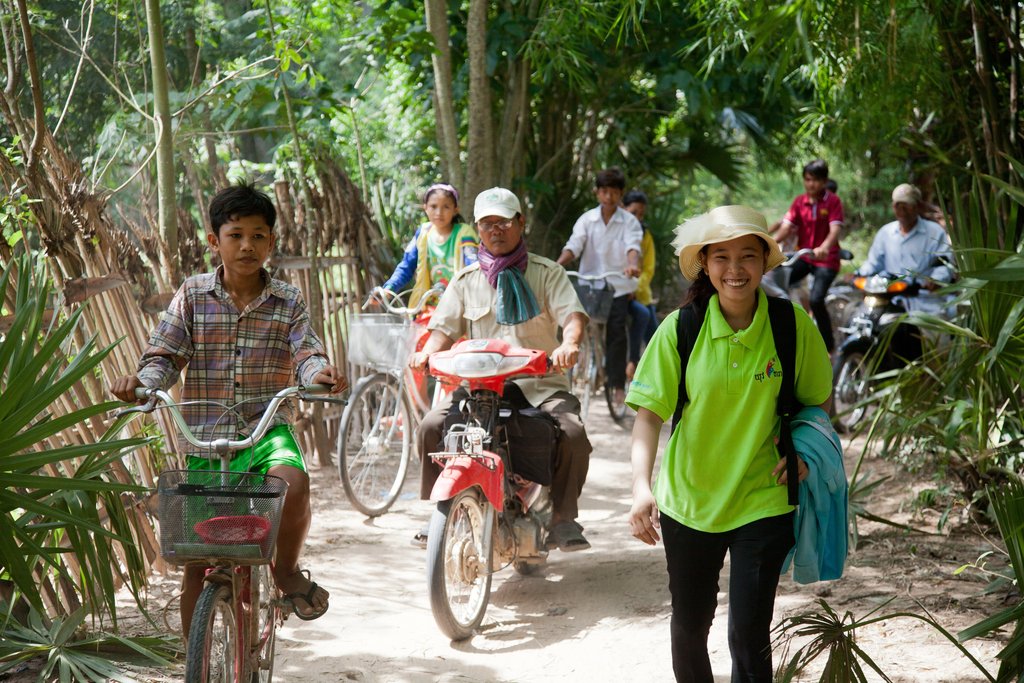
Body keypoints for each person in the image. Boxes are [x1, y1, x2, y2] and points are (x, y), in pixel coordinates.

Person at [109, 183, 347, 637]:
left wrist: (319, 373)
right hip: (204, 435)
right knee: (196, 564)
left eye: (257, 236)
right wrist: (143, 384)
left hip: (264, 429)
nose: (247, 246)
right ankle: (195, 659)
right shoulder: (193, 294)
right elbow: (165, 356)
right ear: (214, 241)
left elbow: (306, 352)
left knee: (293, 482)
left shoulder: (288, 301)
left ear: (271, 242)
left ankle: (286, 571)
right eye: (235, 235)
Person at [627, 205, 833, 682]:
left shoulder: (790, 325)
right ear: (705, 264)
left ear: (764, 262)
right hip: (688, 500)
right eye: (721, 257)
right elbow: (649, 416)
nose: (735, 269)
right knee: (690, 625)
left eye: (747, 256)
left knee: (749, 632)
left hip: (763, 497)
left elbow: (817, 401)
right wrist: (640, 487)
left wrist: (804, 450)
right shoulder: (680, 328)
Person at [412, 187, 594, 551]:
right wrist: (427, 353)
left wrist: (569, 343)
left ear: (520, 223)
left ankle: (563, 518)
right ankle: (441, 512)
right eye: (487, 224)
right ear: (478, 228)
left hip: (539, 384)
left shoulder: (548, 273)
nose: (495, 230)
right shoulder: (466, 280)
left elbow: (572, 315)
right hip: (480, 386)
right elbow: (443, 330)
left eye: (504, 222)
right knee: (431, 427)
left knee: (572, 434)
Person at [556, 167, 642, 409]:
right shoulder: (587, 219)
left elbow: (633, 247)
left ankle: (617, 386)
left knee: (616, 334)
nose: (608, 197)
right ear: (597, 193)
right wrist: (557, 264)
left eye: (613, 192)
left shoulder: (629, 222)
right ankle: (570, 375)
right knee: (574, 325)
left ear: (621, 194)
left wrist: (632, 265)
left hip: (617, 286)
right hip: (589, 285)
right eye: (604, 191)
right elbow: (574, 245)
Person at [770, 159, 845, 352]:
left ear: (825, 181)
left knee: (816, 300)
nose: (811, 184)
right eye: (808, 179)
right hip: (804, 257)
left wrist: (824, 247)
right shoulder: (799, 202)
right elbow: (786, 227)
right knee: (775, 281)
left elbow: (835, 230)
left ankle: (828, 347)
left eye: (816, 180)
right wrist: (770, 243)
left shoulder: (833, 201)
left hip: (826, 259)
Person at [856, 182, 954, 316]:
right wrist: (858, 274)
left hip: (925, 302)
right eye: (898, 205)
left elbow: (944, 264)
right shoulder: (885, 233)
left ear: (918, 206)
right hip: (889, 300)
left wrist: (935, 279)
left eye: (907, 206)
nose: (902, 210)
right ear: (893, 207)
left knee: (935, 327)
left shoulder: (935, 233)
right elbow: (873, 263)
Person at [382, 183, 479, 306]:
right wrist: (389, 288)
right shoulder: (423, 233)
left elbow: (473, 265)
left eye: (446, 207)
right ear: (425, 208)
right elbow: (406, 266)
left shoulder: (464, 233)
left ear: (455, 210)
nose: (439, 212)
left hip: (459, 304)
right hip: (427, 304)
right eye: (433, 206)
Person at [623, 189, 658, 378]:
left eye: (641, 214)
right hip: (616, 293)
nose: (637, 218)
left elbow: (649, 269)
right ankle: (632, 362)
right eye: (633, 212)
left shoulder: (646, 236)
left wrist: (635, 288)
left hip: (641, 295)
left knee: (656, 337)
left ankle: (645, 373)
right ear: (624, 209)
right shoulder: (616, 230)